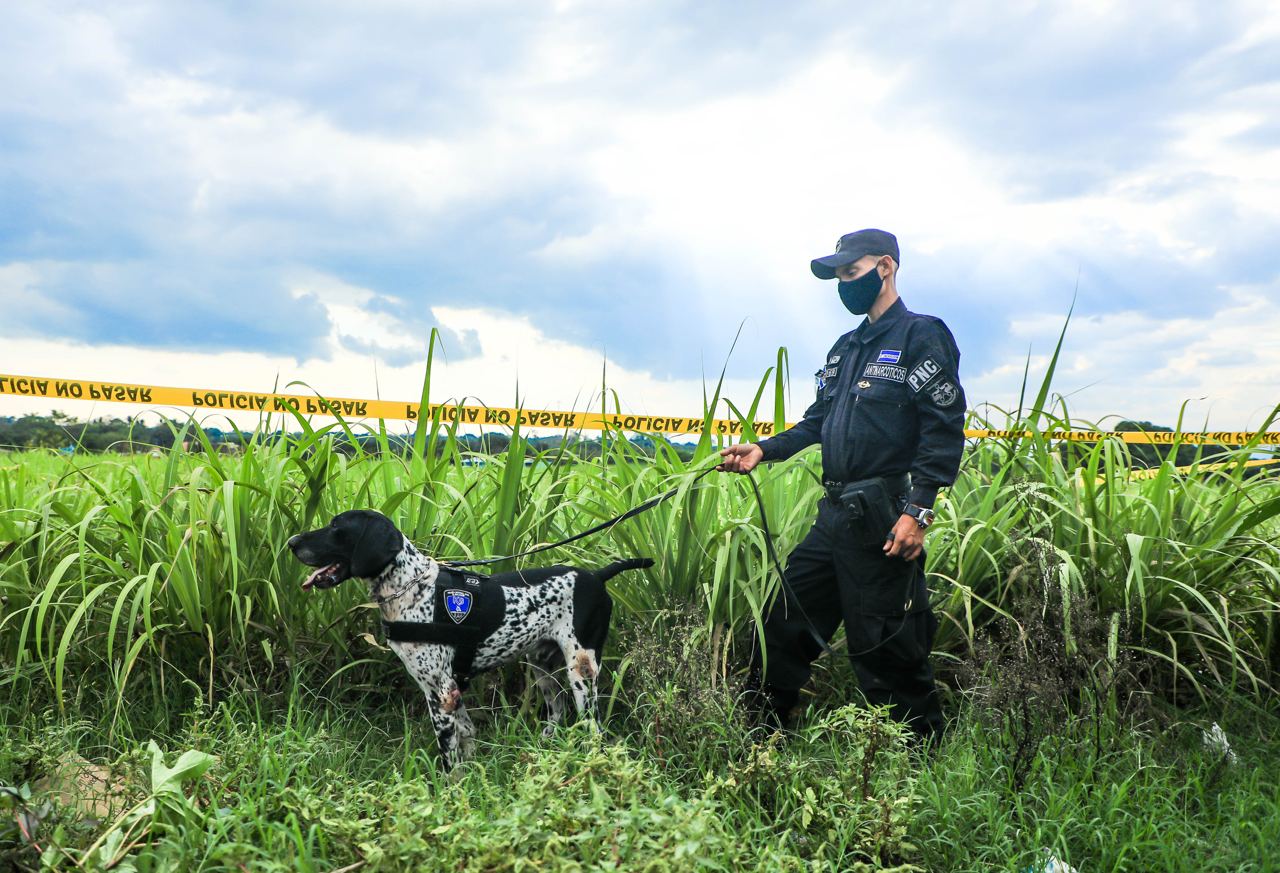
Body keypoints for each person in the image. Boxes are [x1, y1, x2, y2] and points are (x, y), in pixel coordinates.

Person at [718, 228, 965, 742]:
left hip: (885, 515)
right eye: (838, 276)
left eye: (851, 272)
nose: (843, 284)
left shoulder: (922, 335)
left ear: (886, 267)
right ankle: (761, 739)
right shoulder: (845, 348)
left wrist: (918, 512)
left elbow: (943, 429)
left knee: (885, 646)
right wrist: (763, 449)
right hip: (835, 516)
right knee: (782, 625)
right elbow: (817, 420)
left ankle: (920, 758)